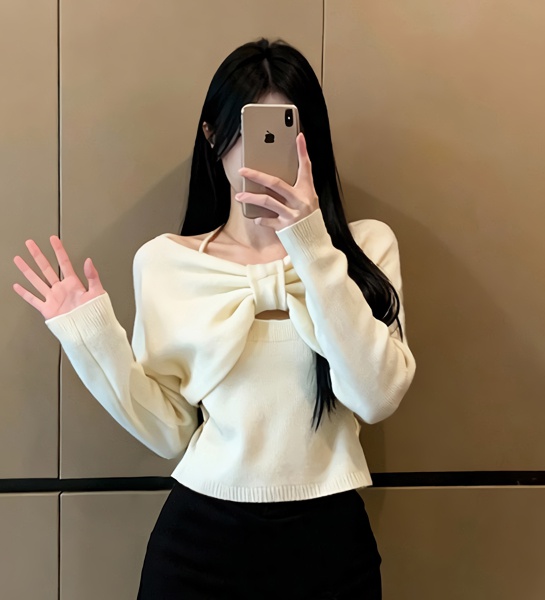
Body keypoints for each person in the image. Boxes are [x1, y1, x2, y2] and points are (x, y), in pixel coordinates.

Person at [13, 38, 416, 600]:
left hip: (330, 542)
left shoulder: (365, 249)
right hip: (199, 544)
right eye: (249, 132)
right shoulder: (165, 262)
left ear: (311, 141)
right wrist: (93, 339)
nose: (263, 155)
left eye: (283, 132)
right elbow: (168, 430)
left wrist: (309, 243)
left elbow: (376, 397)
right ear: (212, 135)